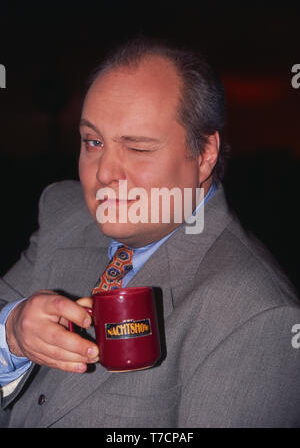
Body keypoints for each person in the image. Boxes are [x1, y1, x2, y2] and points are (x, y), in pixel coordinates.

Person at [1, 38, 300, 428]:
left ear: (205, 154)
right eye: (93, 142)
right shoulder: (64, 214)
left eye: (138, 148)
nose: (105, 172)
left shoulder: (258, 318)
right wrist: (11, 335)